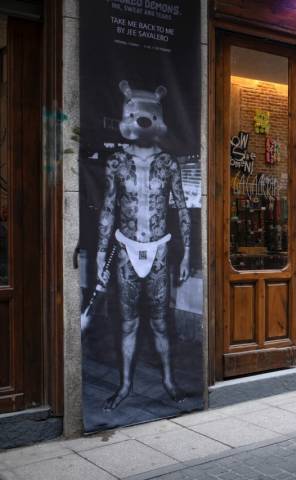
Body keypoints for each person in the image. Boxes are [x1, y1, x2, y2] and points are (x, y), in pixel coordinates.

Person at [97, 81, 191, 410]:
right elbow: (109, 208)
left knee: (161, 321)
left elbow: (180, 206)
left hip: (159, 250)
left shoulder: (168, 164)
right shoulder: (116, 163)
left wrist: (187, 253)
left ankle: (168, 380)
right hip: (125, 250)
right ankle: (125, 384)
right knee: (127, 322)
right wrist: (99, 254)